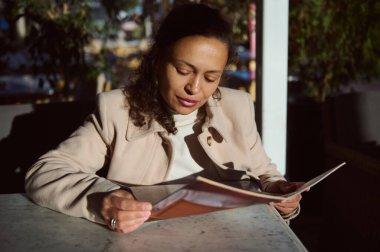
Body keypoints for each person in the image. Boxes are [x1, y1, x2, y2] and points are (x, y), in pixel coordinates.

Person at [25, 3, 304, 234]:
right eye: (183, 70)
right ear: (158, 60)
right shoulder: (118, 111)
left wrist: (282, 195)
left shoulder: (237, 107)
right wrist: (103, 200)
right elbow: (46, 173)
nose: (195, 89)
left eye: (211, 77)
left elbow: (266, 175)